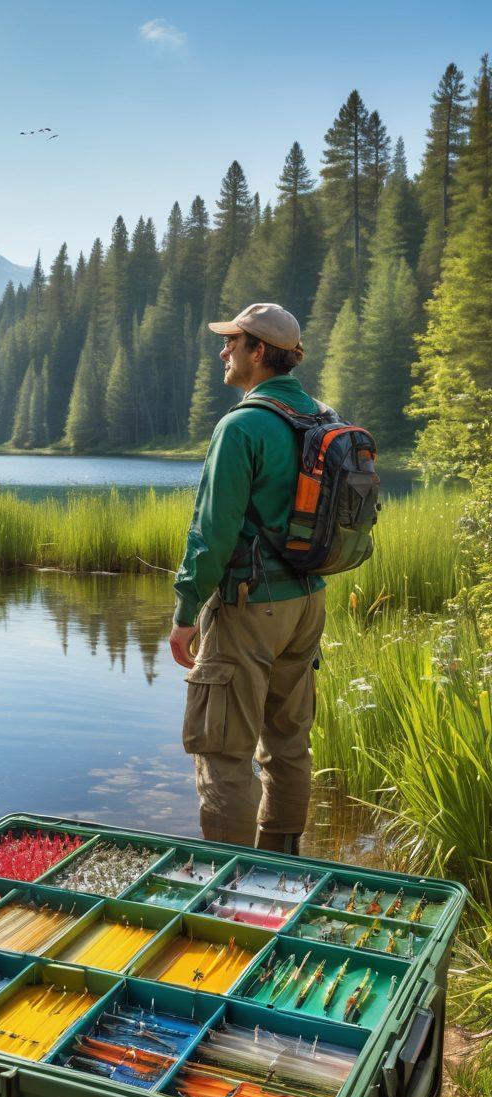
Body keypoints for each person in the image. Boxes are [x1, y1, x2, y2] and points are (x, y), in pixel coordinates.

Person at [169, 302, 325, 855]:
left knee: (222, 750)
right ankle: (282, 866)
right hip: (308, 604)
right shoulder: (321, 419)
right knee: (287, 743)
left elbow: (211, 534)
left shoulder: (242, 426)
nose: (223, 351)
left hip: (250, 604)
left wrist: (186, 613)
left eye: (232, 342)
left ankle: (231, 881)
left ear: (259, 351)